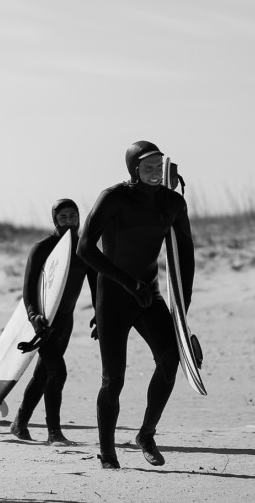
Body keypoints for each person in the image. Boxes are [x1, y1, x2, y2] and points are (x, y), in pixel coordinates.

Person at [76, 141, 193, 470]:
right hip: (113, 295)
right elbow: (85, 249)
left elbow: (185, 254)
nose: (155, 173)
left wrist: (182, 310)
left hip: (148, 294)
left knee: (170, 361)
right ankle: (107, 451)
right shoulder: (113, 198)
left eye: (159, 166)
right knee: (114, 379)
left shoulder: (173, 203)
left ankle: (146, 434)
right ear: (133, 170)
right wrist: (127, 282)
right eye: (148, 167)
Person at [10, 198, 96, 445]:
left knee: (43, 374)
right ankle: (54, 432)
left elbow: (96, 287)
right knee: (57, 372)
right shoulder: (42, 248)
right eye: (63, 217)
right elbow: (28, 290)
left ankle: (19, 424)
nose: (69, 221)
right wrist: (33, 317)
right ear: (54, 221)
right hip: (43, 322)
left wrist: (99, 316)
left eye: (73, 216)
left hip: (65, 322)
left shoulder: (85, 249)